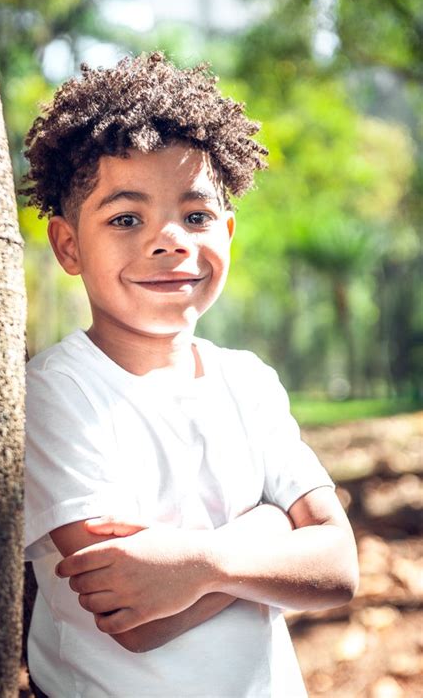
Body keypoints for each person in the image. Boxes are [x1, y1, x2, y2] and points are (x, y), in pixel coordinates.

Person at [23, 52, 358, 697]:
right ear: (68, 246)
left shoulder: (250, 383)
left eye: (196, 216)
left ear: (228, 231)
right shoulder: (57, 393)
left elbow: (338, 565)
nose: (170, 240)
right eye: (126, 218)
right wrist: (272, 529)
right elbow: (132, 616)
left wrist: (200, 563)